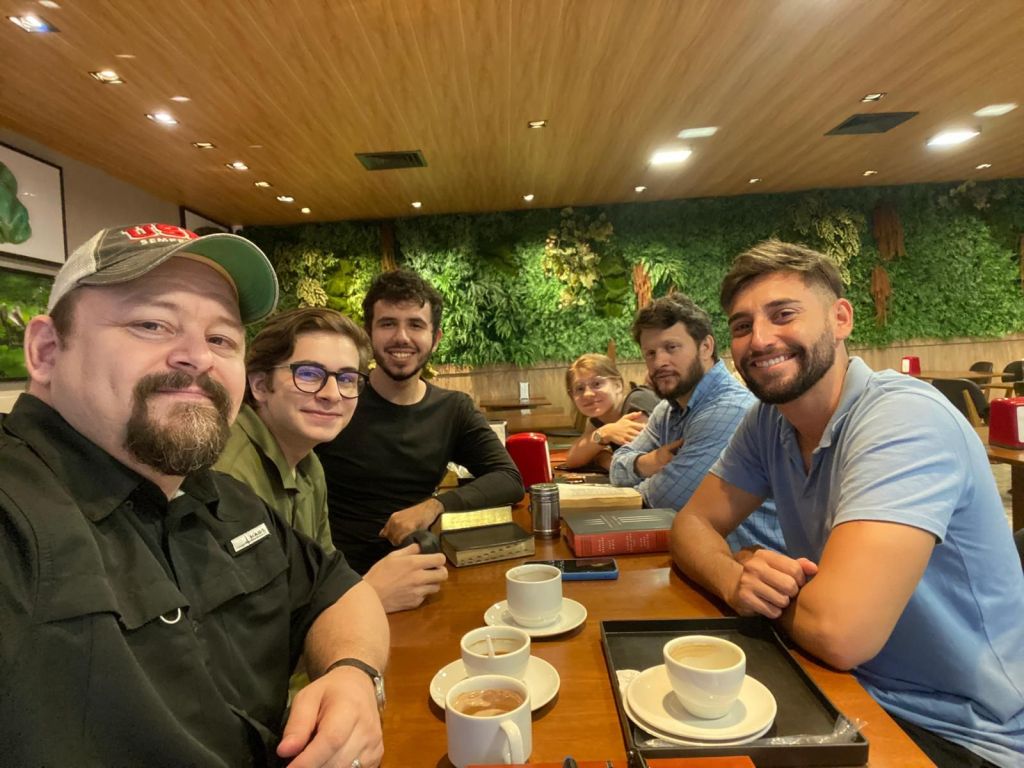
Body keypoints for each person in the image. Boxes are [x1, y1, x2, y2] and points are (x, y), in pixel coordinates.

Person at [0, 223, 390, 768]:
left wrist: (354, 673)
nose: (197, 357)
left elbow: (336, 591)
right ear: (46, 351)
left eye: (221, 339)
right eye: (151, 324)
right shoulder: (16, 514)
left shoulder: (220, 498)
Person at [671, 239, 1024, 767]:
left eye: (783, 314)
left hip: (962, 732)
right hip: (845, 689)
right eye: (743, 326)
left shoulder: (903, 419)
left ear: (840, 319)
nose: (759, 339)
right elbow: (691, 524)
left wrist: (765, 587)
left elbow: (839, 633)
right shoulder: (770, 421)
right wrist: (734, 578)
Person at [217, 307, 448, 613]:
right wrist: (369, 595)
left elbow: (324, 576)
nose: (332, 394)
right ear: (260, 385)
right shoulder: (226, 475)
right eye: (308, 374)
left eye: (347, 378)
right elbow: (243, 624)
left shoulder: (309, 464)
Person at [317, 269, 524, 576]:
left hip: (418, 567)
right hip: (338, 575)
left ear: (435, 338)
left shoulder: (452, 409)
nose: (402, 337)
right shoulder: (338, 399)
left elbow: (509, 479)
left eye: (415, 324)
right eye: (388, 323)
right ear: (368, 333)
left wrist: (434, 506)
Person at [609, 294, 784, 552]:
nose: (659, 362)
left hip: (757, 566)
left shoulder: (729, 410)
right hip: (697, 560)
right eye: (650, 353)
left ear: (706, 347)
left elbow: (663, 501)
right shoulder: (667, 410)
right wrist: (646, 462)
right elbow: (616, 466)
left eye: (671, 348)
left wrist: (639, 478)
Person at [562, 353, 659, 471]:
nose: (587, 394)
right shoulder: (600, 418)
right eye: (580, 389)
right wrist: (604, 432)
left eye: (596, 384)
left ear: (618, 385)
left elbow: (636, 468)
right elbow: (573, 460)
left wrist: (602, 458)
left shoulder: (638, 401)